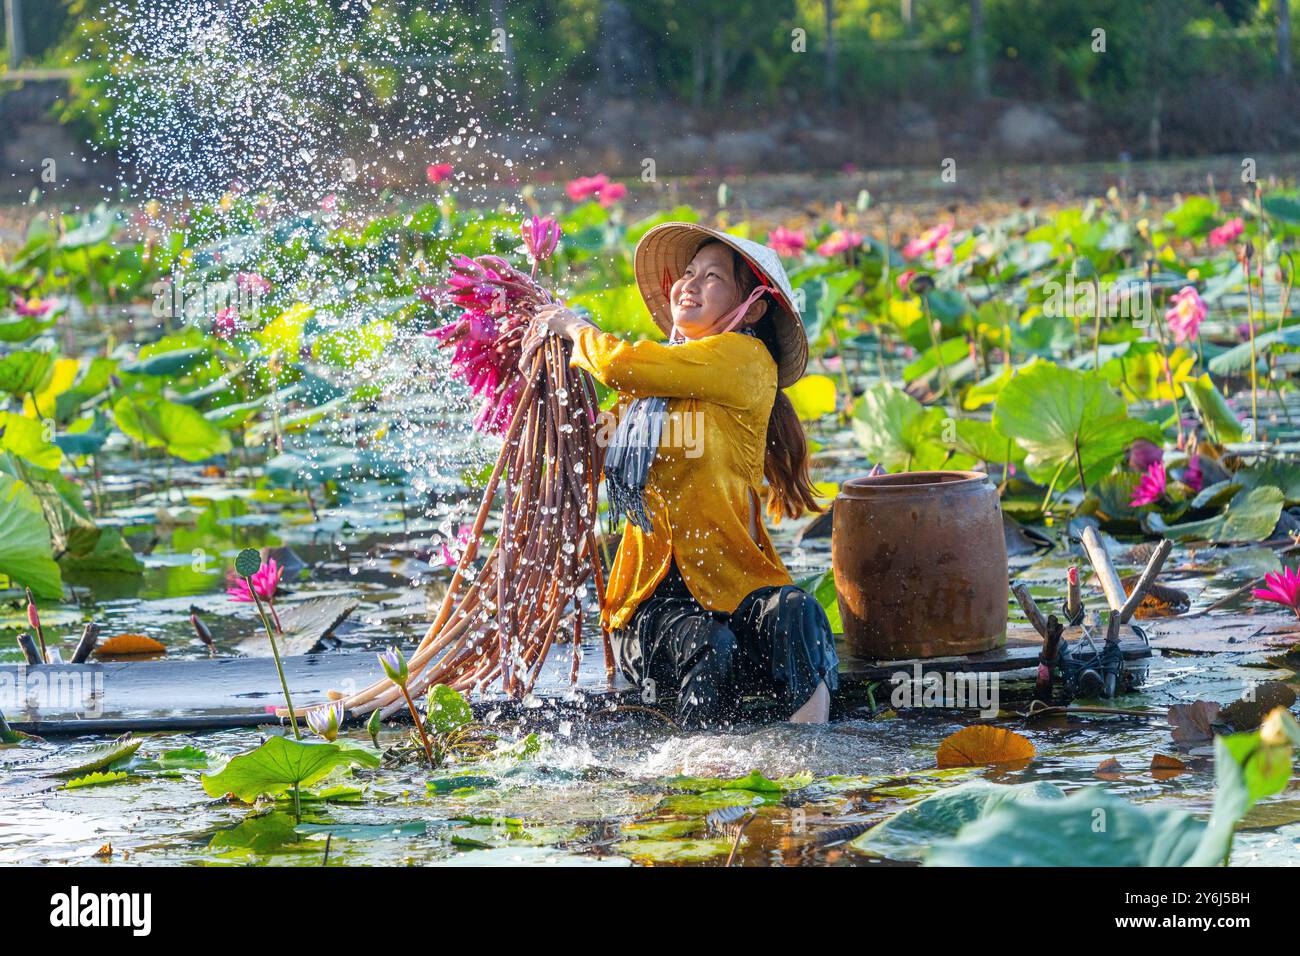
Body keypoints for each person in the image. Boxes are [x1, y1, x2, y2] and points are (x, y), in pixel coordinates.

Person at [533, 223, 839, 729]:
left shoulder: (747, 361)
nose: (689, 284)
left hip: (737, 590)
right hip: (651, 608)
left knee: (797, 611)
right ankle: (700, 774)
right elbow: (592, 448)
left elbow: (621, 364)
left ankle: (808, 750)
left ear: (753, 307)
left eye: (712, 276)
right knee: (706, 643)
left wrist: (572, 328)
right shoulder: (645, 391)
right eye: (689, 272)